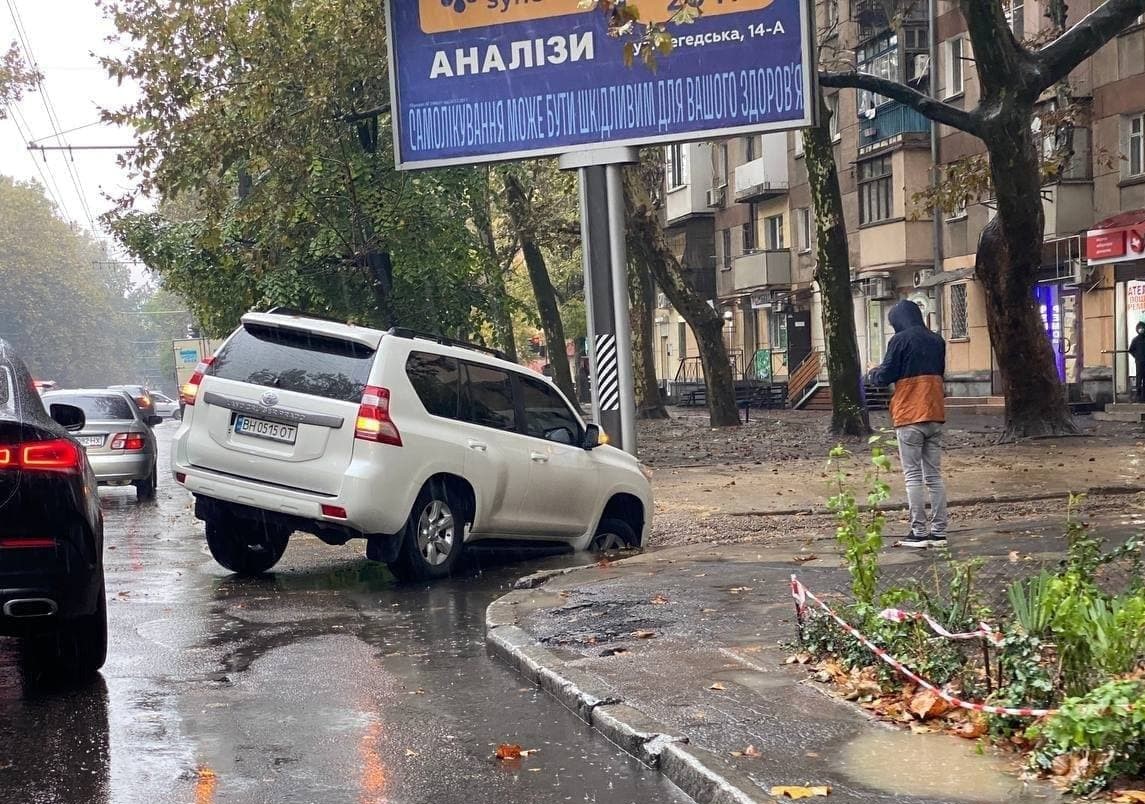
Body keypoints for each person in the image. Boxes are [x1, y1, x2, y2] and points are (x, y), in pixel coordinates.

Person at [868, 299, 948, 548]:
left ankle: (918, 532)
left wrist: (872, 371)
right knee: (934, 476)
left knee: (913, 476)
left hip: (909, 414)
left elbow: (884, 376)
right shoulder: (937, 340)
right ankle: (939, 533)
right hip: (935, 412)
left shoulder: (899, 340)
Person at [1130, 322, 1145, 403]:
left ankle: (1144, 396)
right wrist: (1137, 357)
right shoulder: (1135, 340)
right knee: (1139, 378)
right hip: (1139, 362)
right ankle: (1138, 395)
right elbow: (1131, 350)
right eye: (1140, 328)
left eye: (1143, 328)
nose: (1142, 329)